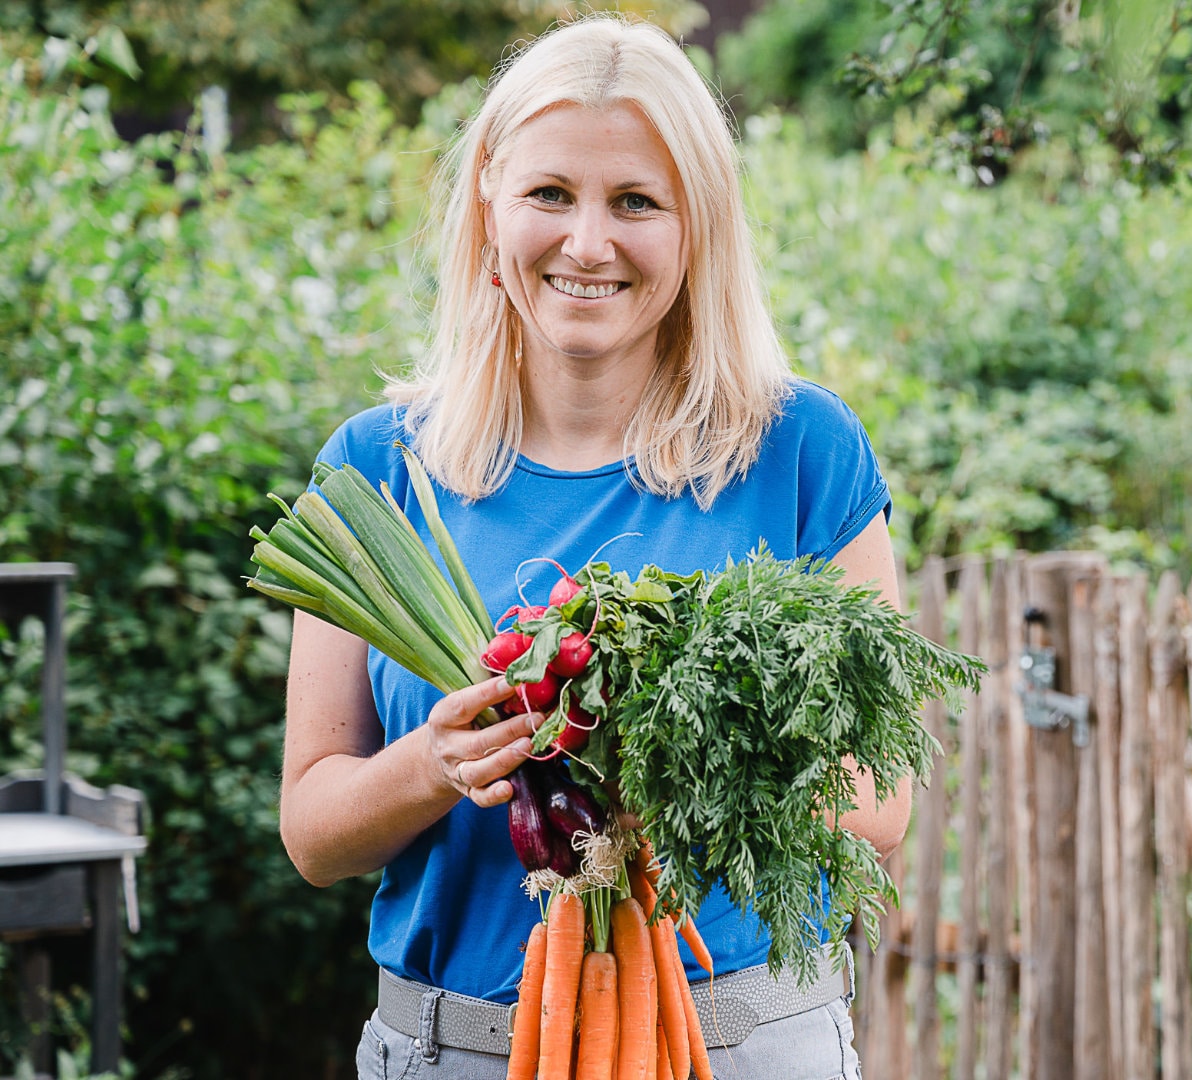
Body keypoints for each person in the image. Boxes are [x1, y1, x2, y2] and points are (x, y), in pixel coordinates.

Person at [278, 15, 903, 1079]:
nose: (586, 243)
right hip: (455, 1055)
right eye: (550, 193)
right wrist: (435, 764)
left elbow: (877, 804)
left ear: (697, 228)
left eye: (636, 203)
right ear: (489, 203)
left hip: (741, 1048)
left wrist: (673, 754)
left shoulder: (800, 449)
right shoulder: (377, 469)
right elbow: (313, 830)